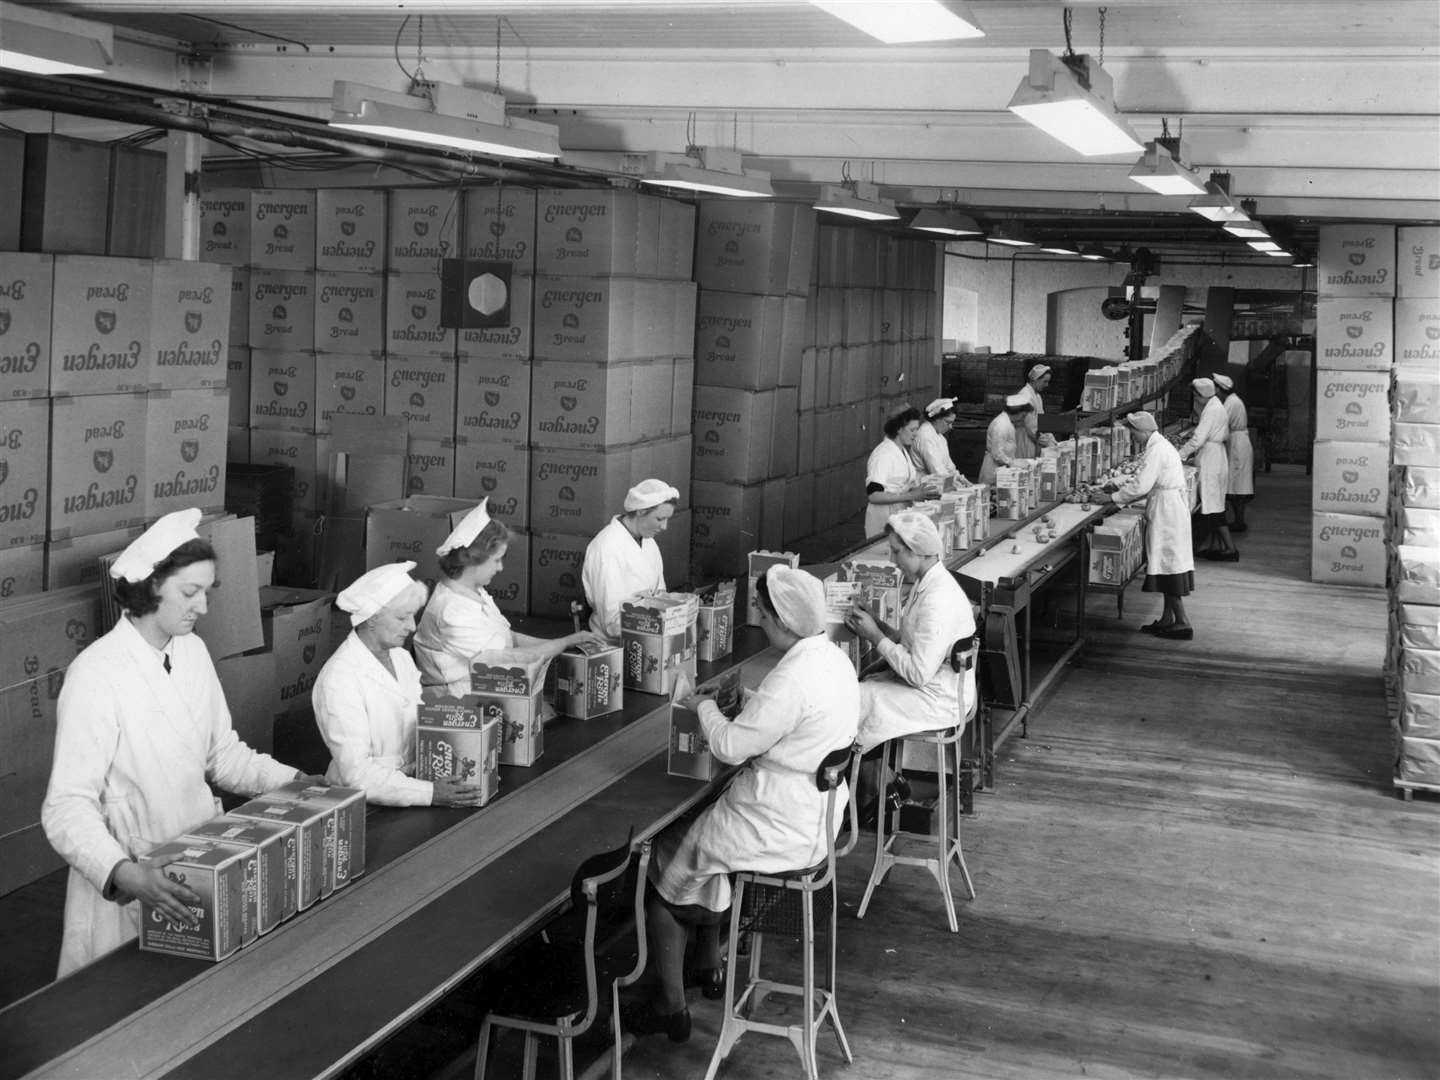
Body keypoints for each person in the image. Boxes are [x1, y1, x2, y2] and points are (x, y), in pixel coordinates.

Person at [41, 508, 315, 976]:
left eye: (206, 592)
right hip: (132, 879)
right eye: (190, 592)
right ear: (150, 587)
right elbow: (66, 806)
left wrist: (298, 782)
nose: (203, 607)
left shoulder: (191, 651)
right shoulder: (96, 674)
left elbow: (222, 755)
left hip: (200, 859)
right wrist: (127, 874)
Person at [627, 566, 860, 1042]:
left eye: (763, 613)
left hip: (778, 820)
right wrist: (743, 698)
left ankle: (671, 1006)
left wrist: (702, 707)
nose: (760, 619)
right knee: (704, 838)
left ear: (782, 621)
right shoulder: (830, 658)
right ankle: (709, 965)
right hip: (814, 814)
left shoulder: (793, 675)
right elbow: (791, 714)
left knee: (665, 859)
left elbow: (730, 748)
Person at [313, 562, 486, 807]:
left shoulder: (400, 657)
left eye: (413, 616)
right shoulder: (339, 678)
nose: (412, 627)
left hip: (411, 783)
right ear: (371, 619)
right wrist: (429, 793)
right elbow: (357, 774)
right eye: (402, 617)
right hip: (361, 800)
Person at [414, 499, 603, 696]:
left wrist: (568, 641)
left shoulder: (474, 591)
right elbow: (509, 657)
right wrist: (565, 643)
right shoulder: (452, 612)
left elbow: (509, 639)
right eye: (496, 560)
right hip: (459, 703)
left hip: (487, 687)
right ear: (471, 560)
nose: (500, 568)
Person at [1105, 412, 1196, 639]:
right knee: (1166, 564)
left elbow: (1141, 486)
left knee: (1168, 567)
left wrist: (1112, 499)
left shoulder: (1156, 450)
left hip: (1167, 511)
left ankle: (1183, 623)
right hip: (1169, 507)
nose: (1133, 436)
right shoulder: (1159, 446)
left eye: (1134, 431)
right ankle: (1168, 619)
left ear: (1144, 430)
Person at [581, 478, 677, 640]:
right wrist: (657, 622)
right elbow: (612, 624)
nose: (665, 527)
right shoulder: (607, 548)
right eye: (659, 519)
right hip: (612, 644)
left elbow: (660, 593)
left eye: (667, 519)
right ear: (640, 511)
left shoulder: (648, 541)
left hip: (649, 634)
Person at [1177, 377, 1238, 561]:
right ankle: (1214, 546)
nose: (1195, 399)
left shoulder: (1212, 410)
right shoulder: (1214, 405)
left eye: (1196, 396)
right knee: (1213, 505)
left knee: (1213, 508)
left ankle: (1230, 549)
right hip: (1214, 456)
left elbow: (1198, 439)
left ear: (1201, 395)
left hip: (1212, 459)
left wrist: (1178, 455)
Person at [864, 406, 933, 537]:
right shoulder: (883, 454)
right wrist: (911, 496)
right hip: (883, 517)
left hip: (899, 514)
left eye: (917, 429)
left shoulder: (901, 451)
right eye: (912, 430)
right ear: (898, 429)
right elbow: (873, 495)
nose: (915, 434)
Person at [1214, 373, 1254, 532]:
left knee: (1237, 486)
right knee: (1237, 485)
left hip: (1238, 445)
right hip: (1237, 442)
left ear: (1221, 389)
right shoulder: (1233, 400)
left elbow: (1220, 423)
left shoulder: (1231, 403)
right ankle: (1239, 520)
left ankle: (1239, 521)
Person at [979, 393, 1034, 485]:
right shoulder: (1001, 425)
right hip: (993, 471)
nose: (1023, 419)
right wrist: (1013, 463)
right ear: (1017, 413)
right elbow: (997, 454)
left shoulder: (1008, 422)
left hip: (1002, 471)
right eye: (1023, 416)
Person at [914, 397, 970, 485]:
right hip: (923, 486)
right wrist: (954, 483)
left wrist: (959, 478)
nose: (951, 427)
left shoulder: (940, 437)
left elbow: (949, 466)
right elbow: (937, 471)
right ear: (937, 418)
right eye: (948, 422)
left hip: (938, 484)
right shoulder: (925, 435)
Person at [1014, 363, 1056, 458]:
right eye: (1044, 381)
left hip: (1034, 439)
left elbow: (1042, 422)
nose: (1047, 385)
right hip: (1025, 439)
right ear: (1035, 379)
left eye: (1048, 382)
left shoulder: (1037, 396)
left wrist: (1051, 439)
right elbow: (1031, 428)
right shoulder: (1025, 396)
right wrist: (1048, 443)